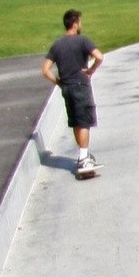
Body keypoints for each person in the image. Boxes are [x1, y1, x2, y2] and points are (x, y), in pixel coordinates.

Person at [42, 9, 103, 178]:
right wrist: (91, 70)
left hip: (67, 87)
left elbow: (45, 70)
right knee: (84, 121)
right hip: (80, 85)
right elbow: (99, 56)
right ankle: (83, 158)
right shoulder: (82, 41)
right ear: (75, 24)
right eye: (80, 22)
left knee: (76, 121)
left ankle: (83, 155)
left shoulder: (57, 45)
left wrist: (59, 83)